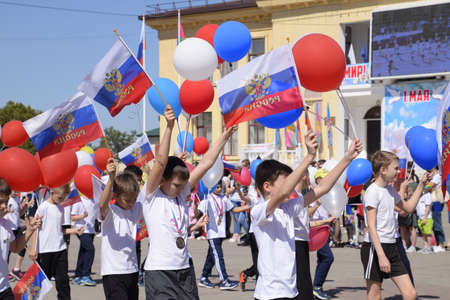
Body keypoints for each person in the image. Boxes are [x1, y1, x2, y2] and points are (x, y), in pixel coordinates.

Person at [141, 105, 237, 299]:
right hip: (159, 272)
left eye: (184, 185)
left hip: (184, 268)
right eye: (176, 184)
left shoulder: (182, 190)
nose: (181, 189)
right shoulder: (151, 195)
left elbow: (206, 163)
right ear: (162, 180)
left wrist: (224, 137)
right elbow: (160, 163)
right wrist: (168, 126)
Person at [251, 131, 361, 300]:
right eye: (286, 181)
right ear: (267, 186)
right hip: (270, 295)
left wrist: (347, 158)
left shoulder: (288, 207)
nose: (292, 184)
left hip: (291, 292)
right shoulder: (259, 211)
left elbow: (322, 189)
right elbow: (283, 192)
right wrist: (309, 157)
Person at [361, 150, 430, 300]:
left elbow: (408, 208)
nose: (399, 171)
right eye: (396, 168)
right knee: (375, 295)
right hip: (375, 248)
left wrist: (421, 185)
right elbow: (371, 226)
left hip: (392, 247)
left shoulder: (390, 190)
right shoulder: (372, 192)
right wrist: (381, 256)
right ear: (383, 170)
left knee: (410, 294)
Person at [29, 184, 84, 300]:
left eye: (64, 198)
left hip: (60, 250)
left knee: (63, 282)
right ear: (52, 193)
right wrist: (34, 249)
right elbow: (35, 228)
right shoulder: (43, 207)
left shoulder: (61, 208)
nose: (62, 200)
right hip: (45, 251)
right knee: (39, 284)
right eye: (60, 198)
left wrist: (75, 230)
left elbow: (60, 229)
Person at [198, 181, 250, 289]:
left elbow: (234, 209)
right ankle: (224, 280)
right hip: (212, 233)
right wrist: (203, 219)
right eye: (216, 187)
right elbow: (200, 211)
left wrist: (248, 206)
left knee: (212, 256)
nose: (219, 188)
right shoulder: (208, 198)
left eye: (220, 187)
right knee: (219, 256)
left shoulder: (223, 198)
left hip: (221, 233)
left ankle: (204, 277)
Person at [0, 178, 42, 300]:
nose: (4, 206)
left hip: (4, 289)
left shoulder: (5, 224)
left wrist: (30, 230)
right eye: (1, 201)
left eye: (6, 201)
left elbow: (15, 248)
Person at [308, 169, 338, 300]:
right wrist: (318, 204)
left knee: (323, 259)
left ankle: (316, 287)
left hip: (324, 230)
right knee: (327, 258)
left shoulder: (327, 194)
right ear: (318, 180)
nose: (327, 181)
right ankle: (316, 287)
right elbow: (308, 214)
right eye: (324, 178)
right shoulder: (313, 194)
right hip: (315, 231)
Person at [71, 194, 97, 286]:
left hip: (91, 230)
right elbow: (73, 217)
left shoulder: (94, 199)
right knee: (90, 249)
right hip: (80, 229)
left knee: (83, 251)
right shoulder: (79, 200)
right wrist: (82, 216)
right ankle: (86, 275)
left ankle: (78, 276)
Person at [416, 190, 434, 254]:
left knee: (428, 233)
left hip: (427, 218)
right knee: (423, 233)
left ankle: (429, 248)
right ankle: (425, 247)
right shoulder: (419, 195)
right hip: (420, 217)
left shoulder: (427, 195)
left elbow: (428, 207)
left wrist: (425, 217)